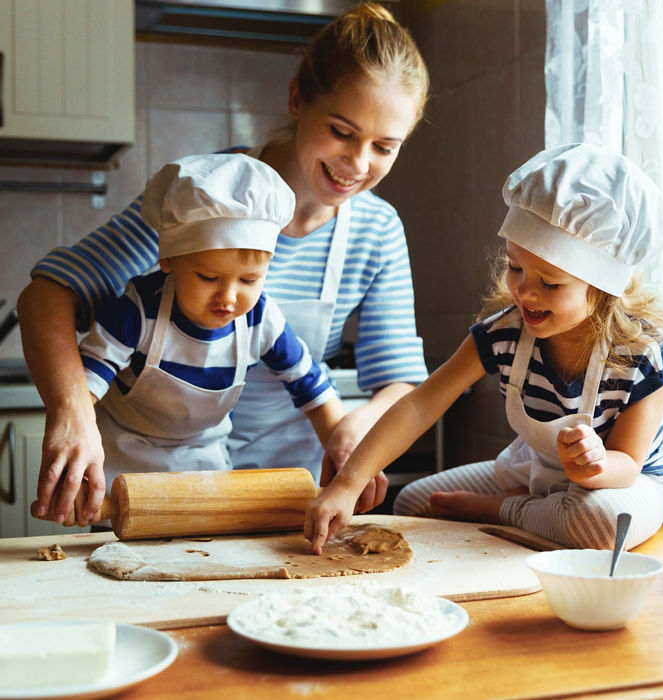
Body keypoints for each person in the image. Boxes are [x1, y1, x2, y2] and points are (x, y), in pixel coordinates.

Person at [18, 2, 430, 526]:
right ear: (297, 97)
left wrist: (354, 426)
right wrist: (73, 412)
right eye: (343, 131)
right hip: (168, 493)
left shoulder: (377, 229)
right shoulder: (202, 199)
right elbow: (48, 295)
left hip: (288, 500)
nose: (358, 163)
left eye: (384, 147)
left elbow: (397, 382)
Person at [304, 143, 663, 554]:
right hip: (538, 472)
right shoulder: (505, 332)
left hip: (624, 485)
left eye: (550, 283)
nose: (525, 291)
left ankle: (505, 510)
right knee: (413, 503)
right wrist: (349, 482)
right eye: (516, 267)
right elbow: (420, 405)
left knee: (596, 524)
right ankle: (533, 507)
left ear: (603, 288)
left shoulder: (645, 351)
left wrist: (594, 466)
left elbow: (628, 464)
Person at [76, 153, 344, 503]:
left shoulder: (260, 318)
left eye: (250, 279)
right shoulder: (139, 310)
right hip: (120, 465)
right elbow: (83, 389)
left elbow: (312, 388)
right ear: (168, 259)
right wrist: (80, 462)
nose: (229, 297)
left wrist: (345, 457)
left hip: (206, 468)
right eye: (208, 277)